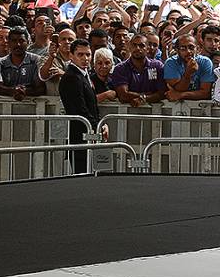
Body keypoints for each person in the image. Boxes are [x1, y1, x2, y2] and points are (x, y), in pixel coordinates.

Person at [58, 39, 105, 173]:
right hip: (80, 136)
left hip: (89, 135)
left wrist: (99, 124)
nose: (85, 58)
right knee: (82, 174)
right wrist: (97, 126)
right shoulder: (71, 77)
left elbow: (91, 105)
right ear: (71, 56)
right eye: (80, 54)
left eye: (88, 55)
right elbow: (79, 109)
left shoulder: (84, 75)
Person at [110, 34, 166, 106]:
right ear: (130, 47)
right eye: (134, 45)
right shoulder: (120, 68)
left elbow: (162, 93)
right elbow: (123, 96)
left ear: (148, 49)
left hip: (154, 114)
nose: (137, 48)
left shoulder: (157, 66)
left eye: (141, 46)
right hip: (127, 115)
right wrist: (147, 96)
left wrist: (143, 98)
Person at [0, 26, 46, 100]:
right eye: (14, 41)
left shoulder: (36, 60)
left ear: (28, 42)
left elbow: (40, 88)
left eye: (21, 41)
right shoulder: (0, 63)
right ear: (9, 43)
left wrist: (25, 91)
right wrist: (13, 91)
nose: (18, 44)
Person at [163, 35, 215, 102]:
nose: (188, 51)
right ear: (177, 50)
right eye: (183, 48)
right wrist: (188, 73)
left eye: (191, 47)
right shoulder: (171, 63)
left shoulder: (205, 62)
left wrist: (181, 95)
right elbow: (179, 89)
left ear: (198, 49)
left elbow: (206, 93)